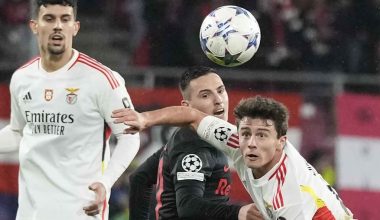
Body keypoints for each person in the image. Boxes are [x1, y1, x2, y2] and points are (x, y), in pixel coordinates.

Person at [0, 0, 140, 219]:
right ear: (34, 26)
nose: (58, 26)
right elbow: (18, 132)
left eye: (65, 19)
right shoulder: (21, 78)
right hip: (31, 212)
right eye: (49, 19)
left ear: (75, 27)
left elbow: (130, 137)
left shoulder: (102, 79)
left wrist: (106, 181)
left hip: (80, 211)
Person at [112, 96, 354, 220]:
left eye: (262, 135)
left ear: (281, 142)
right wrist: (146, 119)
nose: (250, 143)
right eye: (246, 133)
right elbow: (192, 116)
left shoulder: (285, 195)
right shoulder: (235, 141)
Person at [128, 66, 262, 220]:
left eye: (220, 91)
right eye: (205, 95)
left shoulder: (187, 137)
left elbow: (140, 178)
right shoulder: (193, 148)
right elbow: (188, 207)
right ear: (187, 107)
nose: (218, 100)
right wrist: (238, 212)